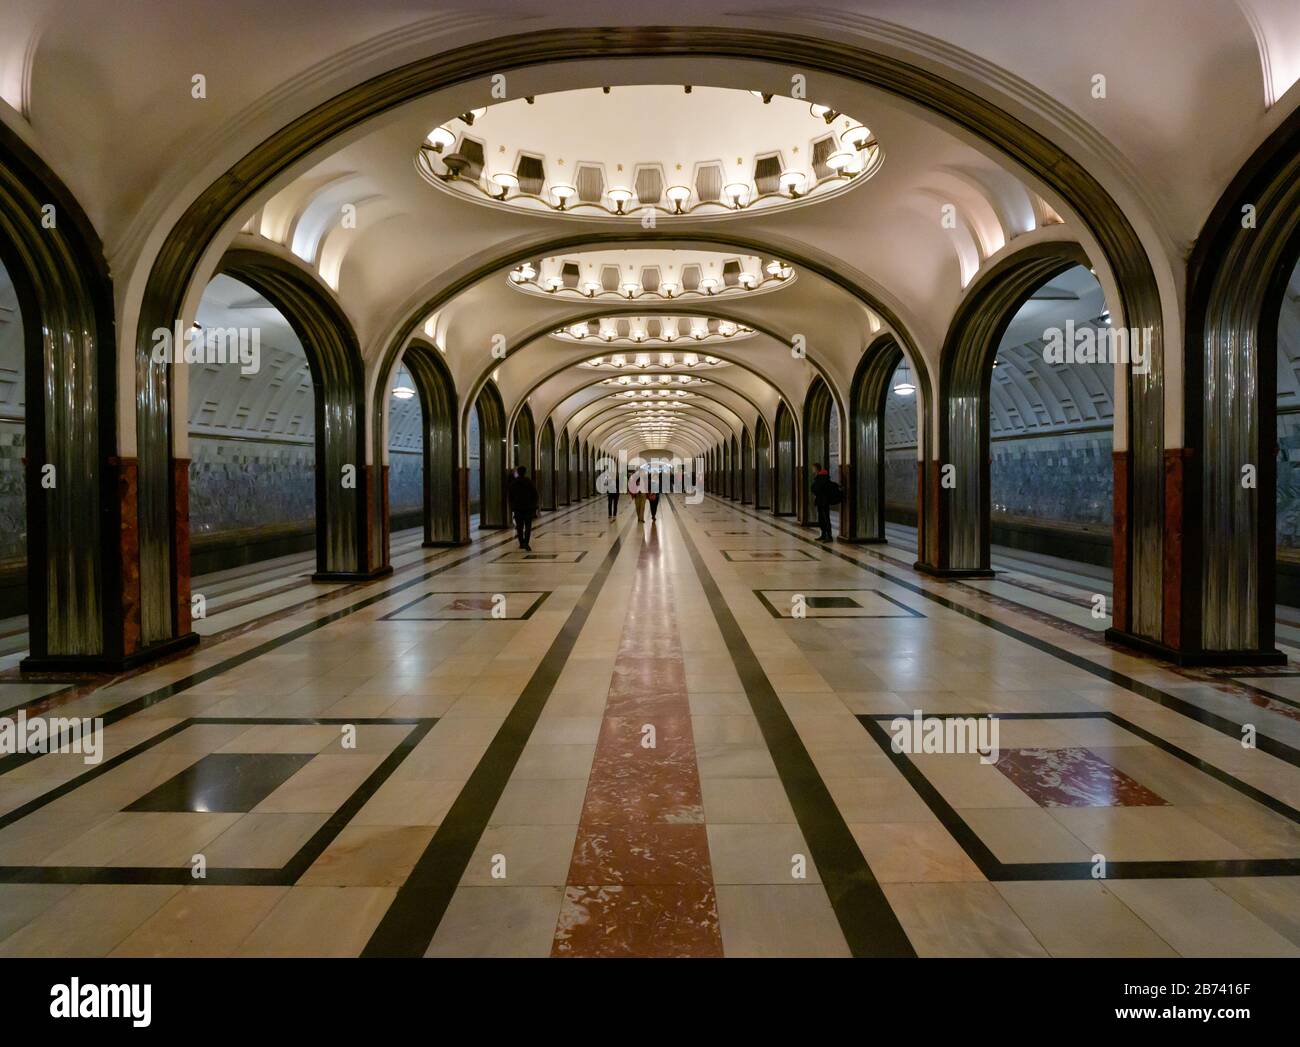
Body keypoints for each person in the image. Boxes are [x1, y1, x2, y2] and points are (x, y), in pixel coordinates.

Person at [508, 465, 539, 551]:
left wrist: (513, 506)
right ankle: (526, 543)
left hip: (517, 509)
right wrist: (534, 505)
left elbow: (510, 496)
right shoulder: (529, 482)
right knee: (528, 526)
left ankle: (521, 543)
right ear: (525, 472)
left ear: (517, 472)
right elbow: (535, 495)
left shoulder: (513, 483)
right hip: (528, 508)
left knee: (519, 527)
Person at [811, 462, 834, 542]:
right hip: (821, 500)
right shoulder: (819, 477)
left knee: (825, 517)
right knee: (821, 518)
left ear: (816, 469)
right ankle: (823, 534)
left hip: (824, 501)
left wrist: (814, 489)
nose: (812, 470)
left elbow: (817, 488)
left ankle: (829, 536)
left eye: (813, 468)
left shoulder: (822, 477)